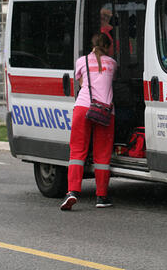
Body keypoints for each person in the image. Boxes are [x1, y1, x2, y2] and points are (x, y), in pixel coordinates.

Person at [60, 33, 117, 210]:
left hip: (83, 107)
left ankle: (72, 192)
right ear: (108, 47)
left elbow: (82, 82)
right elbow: (109, 81)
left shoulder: (81, 61)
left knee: (77, 152)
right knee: (102, 155)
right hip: (105, 111)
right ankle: (101, 197)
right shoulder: (113, 63)